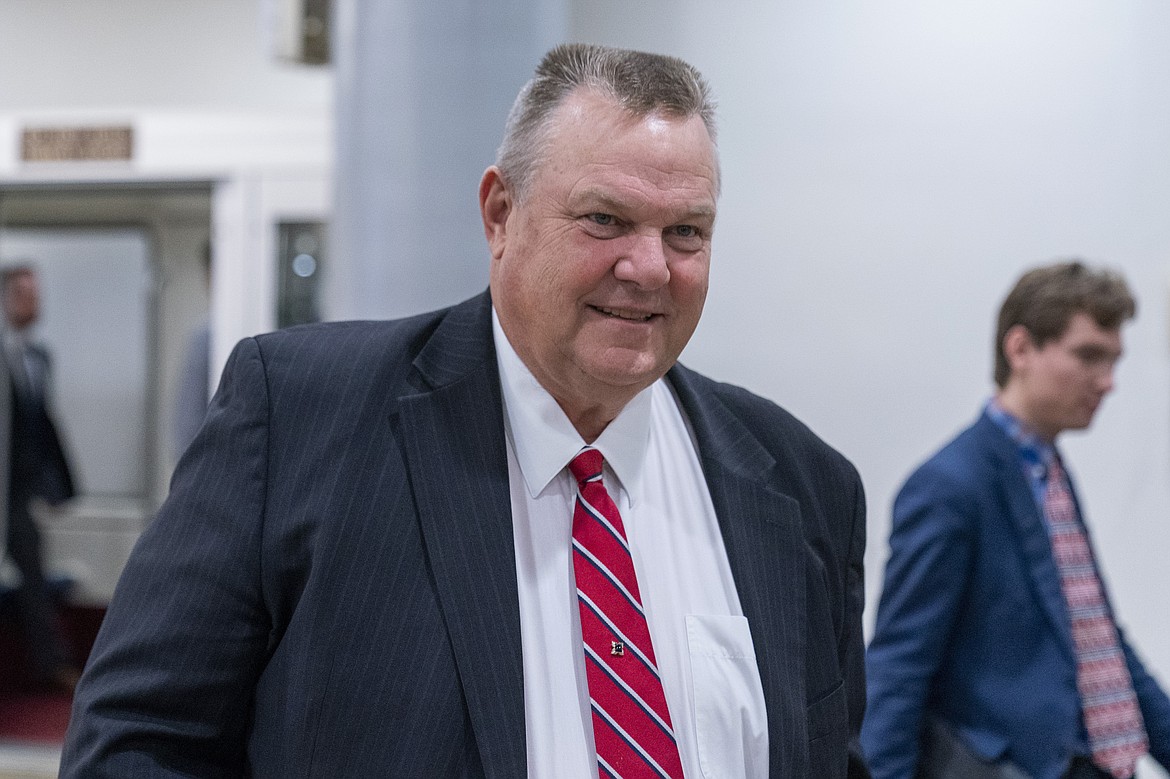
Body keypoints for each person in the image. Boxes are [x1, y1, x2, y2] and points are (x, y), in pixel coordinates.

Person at [61, 44, 868, 777]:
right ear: (499, 215)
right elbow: (135, 743)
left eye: (686, 231)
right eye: (605, 220)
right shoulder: (303, 418)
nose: (650, 266)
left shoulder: (805, 488)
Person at [863, 261, 1170, 779]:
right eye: (1088, 356)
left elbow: (1094, 638)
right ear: (1021, 348)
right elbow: (899, 668)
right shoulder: (950, 485)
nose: (1108, 382)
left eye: (1113, 360)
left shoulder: (1047, 470)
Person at [0, 263, 78, 691]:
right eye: (26, 295)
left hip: (21, 491)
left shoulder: (39, 356)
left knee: (32, 569)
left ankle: (51, 664)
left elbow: (41, 425)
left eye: (37, 295)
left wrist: (56, 485)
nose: (35, 304)